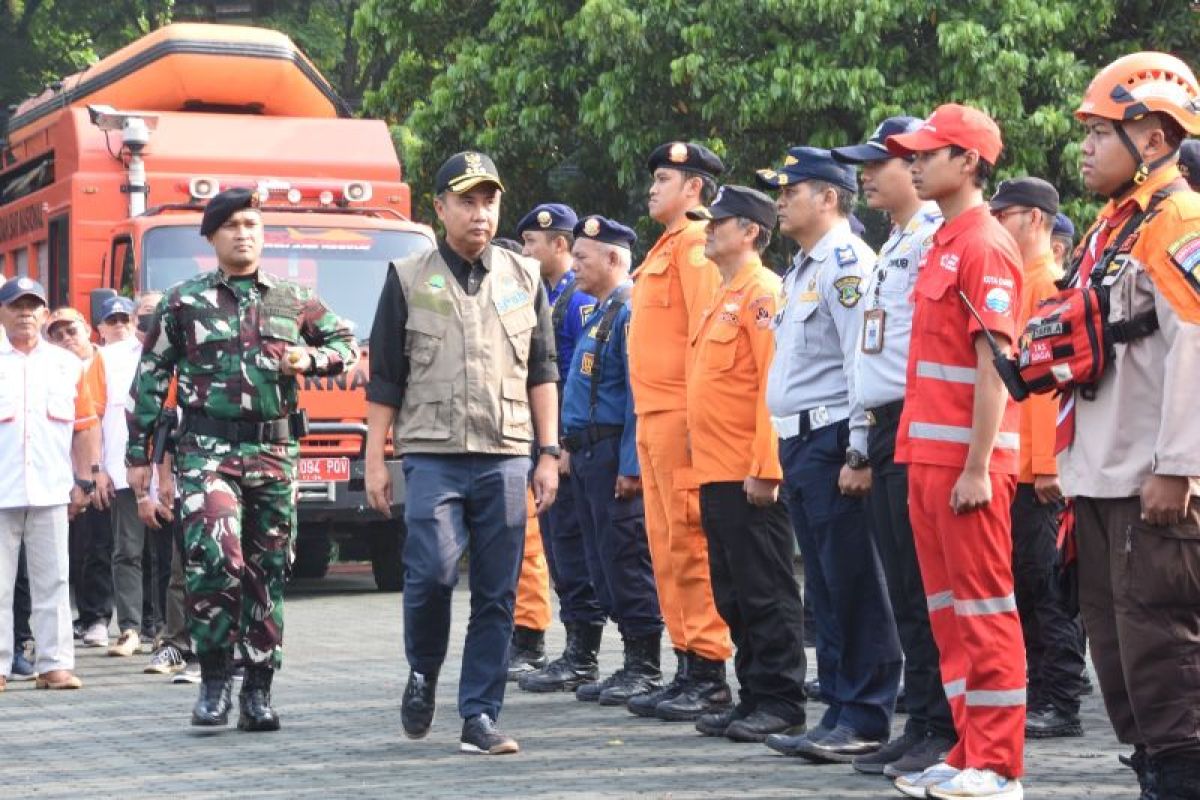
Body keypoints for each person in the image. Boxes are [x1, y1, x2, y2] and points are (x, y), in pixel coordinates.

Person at [126, 187, 358, 731]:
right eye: (231, 225)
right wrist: (139, 456)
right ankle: (212, 680)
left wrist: (311, 356)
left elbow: (345, 342)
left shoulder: (292, 298)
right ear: (212, 237)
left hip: (274, 452)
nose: (244, 233)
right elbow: (151, 377)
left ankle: (257, 690)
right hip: (207, 450)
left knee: (267, 570)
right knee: (216, 558)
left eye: (252, 223)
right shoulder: (183, 302)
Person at [364, 151, 560, 755]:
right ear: (441, 207)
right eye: (467, 201)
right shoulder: (406, 276)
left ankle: (479, 713)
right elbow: (386, 377)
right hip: (432, 453)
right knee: (431, 573)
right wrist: (375, 458)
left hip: (505, 452)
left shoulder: (524, 277)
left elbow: (542, 368)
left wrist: (548, 451)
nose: (480, 213)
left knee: (498, 591)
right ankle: (423, 670)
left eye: (489, 201)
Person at [1060, 53, 1200, 800]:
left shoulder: (1179, 219)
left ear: (1150, 137)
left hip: (1153, 477)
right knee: (1118, 652)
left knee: (1162, 648)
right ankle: (1153, 768)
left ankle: (1178, 778)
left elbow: (1196, 343)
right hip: (1104, 469)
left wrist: (1178, 464)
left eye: (1098, 133)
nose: (1083, 148)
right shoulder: (1115, 225)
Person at [885, 103, 1027, 799]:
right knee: (948, 615)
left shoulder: (984, 244)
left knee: (983, 610)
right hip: (928, 460)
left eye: (928, 152)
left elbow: (995, 363)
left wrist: (976, 467)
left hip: (968, 467)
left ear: (967, 161)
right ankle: (969, 748)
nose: (914, 161)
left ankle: (998, 765)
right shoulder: (944, 241)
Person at [752, 146, 900, 766]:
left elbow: (858, 361)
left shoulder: (846, 264)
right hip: (802, 441)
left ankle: (866, 713)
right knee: (828, 588)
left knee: (854, 581)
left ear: (829, 198)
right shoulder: (802, 269)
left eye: (791, 190)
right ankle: (839, 709)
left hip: (835, 437)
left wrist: (859, 450)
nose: (780, 201)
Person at [831, 117, 957, 778]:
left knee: (925, 588)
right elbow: (871, 352)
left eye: (878, 163)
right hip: (884, 429)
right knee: (905, 591)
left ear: (915, 166)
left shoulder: (938, 239)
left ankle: (945, 726)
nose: (866, 176)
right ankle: (924, 721)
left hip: (920, 423)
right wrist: (859, 442)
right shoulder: (897, 243)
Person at [683, 186, 808, 744]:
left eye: (719, 222)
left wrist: (766, 465)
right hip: (715, 471)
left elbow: (770, 388)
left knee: (765, 591)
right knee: (733, 593)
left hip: (748, 474)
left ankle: (781, 699)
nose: (708, 231)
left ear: (751, 232)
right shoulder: (724, 293)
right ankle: (754, 694)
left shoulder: (763, 293)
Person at [626, 141, 734, 723]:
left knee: (690, 543)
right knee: (666, 546)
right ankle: (687, 660)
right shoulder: (664, 248)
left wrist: (700, 421)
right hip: (652, 418)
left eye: (663, 178)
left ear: (693, 188)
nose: (652, 188)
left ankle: (711, 668)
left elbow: (705, 338)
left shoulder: (695, 247)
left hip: (681, 418)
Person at [988, 178, 1087, 740]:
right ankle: (1038, 689)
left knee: (1046, 587)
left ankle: (1060, 698)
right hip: (1014, 464)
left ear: (1033, 221)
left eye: (1003, 215)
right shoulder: (1020, 283)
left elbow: (1054, 384)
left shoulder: (1049, 284)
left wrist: (1049, 466)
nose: (995, 223)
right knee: (1026, 583)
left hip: (1037, 471)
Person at [557, 215, 664, 707]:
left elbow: (639, 397)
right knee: (602, 561)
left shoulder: (629, 310)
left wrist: (631, 465)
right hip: (586, 455)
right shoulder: (602, 311)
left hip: (612, 456)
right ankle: (627, 661)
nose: (574, 265)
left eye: (582, 257)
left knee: (625, 558)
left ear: (614, 259)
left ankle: (644, 665)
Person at [512, 202, 607, 688]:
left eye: (531, 242)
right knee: (558, 546)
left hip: (568, 446)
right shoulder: (547, 294)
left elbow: (580, 377)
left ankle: (584, 654)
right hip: (548, 441)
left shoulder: (580, 300)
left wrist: (562, 442)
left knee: (573, 546)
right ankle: (574, 650)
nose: (525, 250)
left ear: (560, 245)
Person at [0, 277, 98, 692]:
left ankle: (55, 665)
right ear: (1, 312)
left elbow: (85, 427)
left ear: (44, 314)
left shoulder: (67, 365)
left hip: (52, 488)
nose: (25, 313)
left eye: (32, 306)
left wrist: (85, 479)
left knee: (55, 581)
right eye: (16, 305)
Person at [44, 307, 114, 649]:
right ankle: (84, 617)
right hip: (58, 474)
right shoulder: (52, 369)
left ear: (87, 328)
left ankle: (99, 617)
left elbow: (101, 424)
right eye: (56, 335)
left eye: (70, 330)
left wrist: (96, 471)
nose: (65, 339)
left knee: (99, 546)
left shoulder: (110, 363)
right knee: (74, 550)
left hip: (99, 470)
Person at [90, 295, 156, 659]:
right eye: (111, 320)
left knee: (167, 557)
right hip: (123, 467)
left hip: (169, 470)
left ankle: (163, 628)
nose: (120, 326)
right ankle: (130, 628)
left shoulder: (168, 351)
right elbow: (93, 417)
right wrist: (96, 469)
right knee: (127, 551)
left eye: (124, 319)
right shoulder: (106, 358)